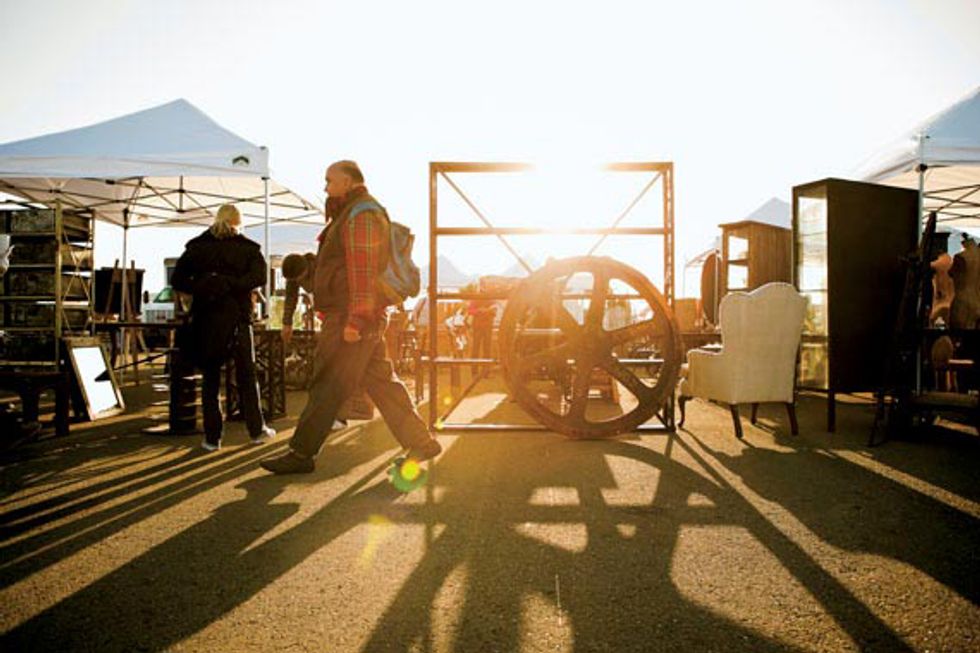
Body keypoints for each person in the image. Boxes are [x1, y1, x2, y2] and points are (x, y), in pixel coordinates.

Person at [260, 160, 442, 474]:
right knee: (381, 382)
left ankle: (302, 453)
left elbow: (363, 272)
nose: (325, 187)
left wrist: (356, 320)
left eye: (329, 181)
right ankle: (421, 442)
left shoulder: (361, 214)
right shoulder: (355, 212)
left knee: (328, 382)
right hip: (355, 315)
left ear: (347, 181)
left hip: (350, 316)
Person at [171, 203, 276, 451]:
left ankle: (212, 438)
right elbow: (259, 277)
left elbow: (178, 280)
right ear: (238, 222)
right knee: (246, 376)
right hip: (238, 319)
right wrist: (233, 284)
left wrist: (205, 285)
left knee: (210, 378)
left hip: (206, 319)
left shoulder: (196, 247)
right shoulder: (249, 249)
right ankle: (257, 430)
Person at [280, 252, 316, 343]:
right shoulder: (293, 275)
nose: (297, 281)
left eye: (298, 278)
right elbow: (290, 298)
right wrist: (287, 323)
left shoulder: (321, 269)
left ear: (305, 270)